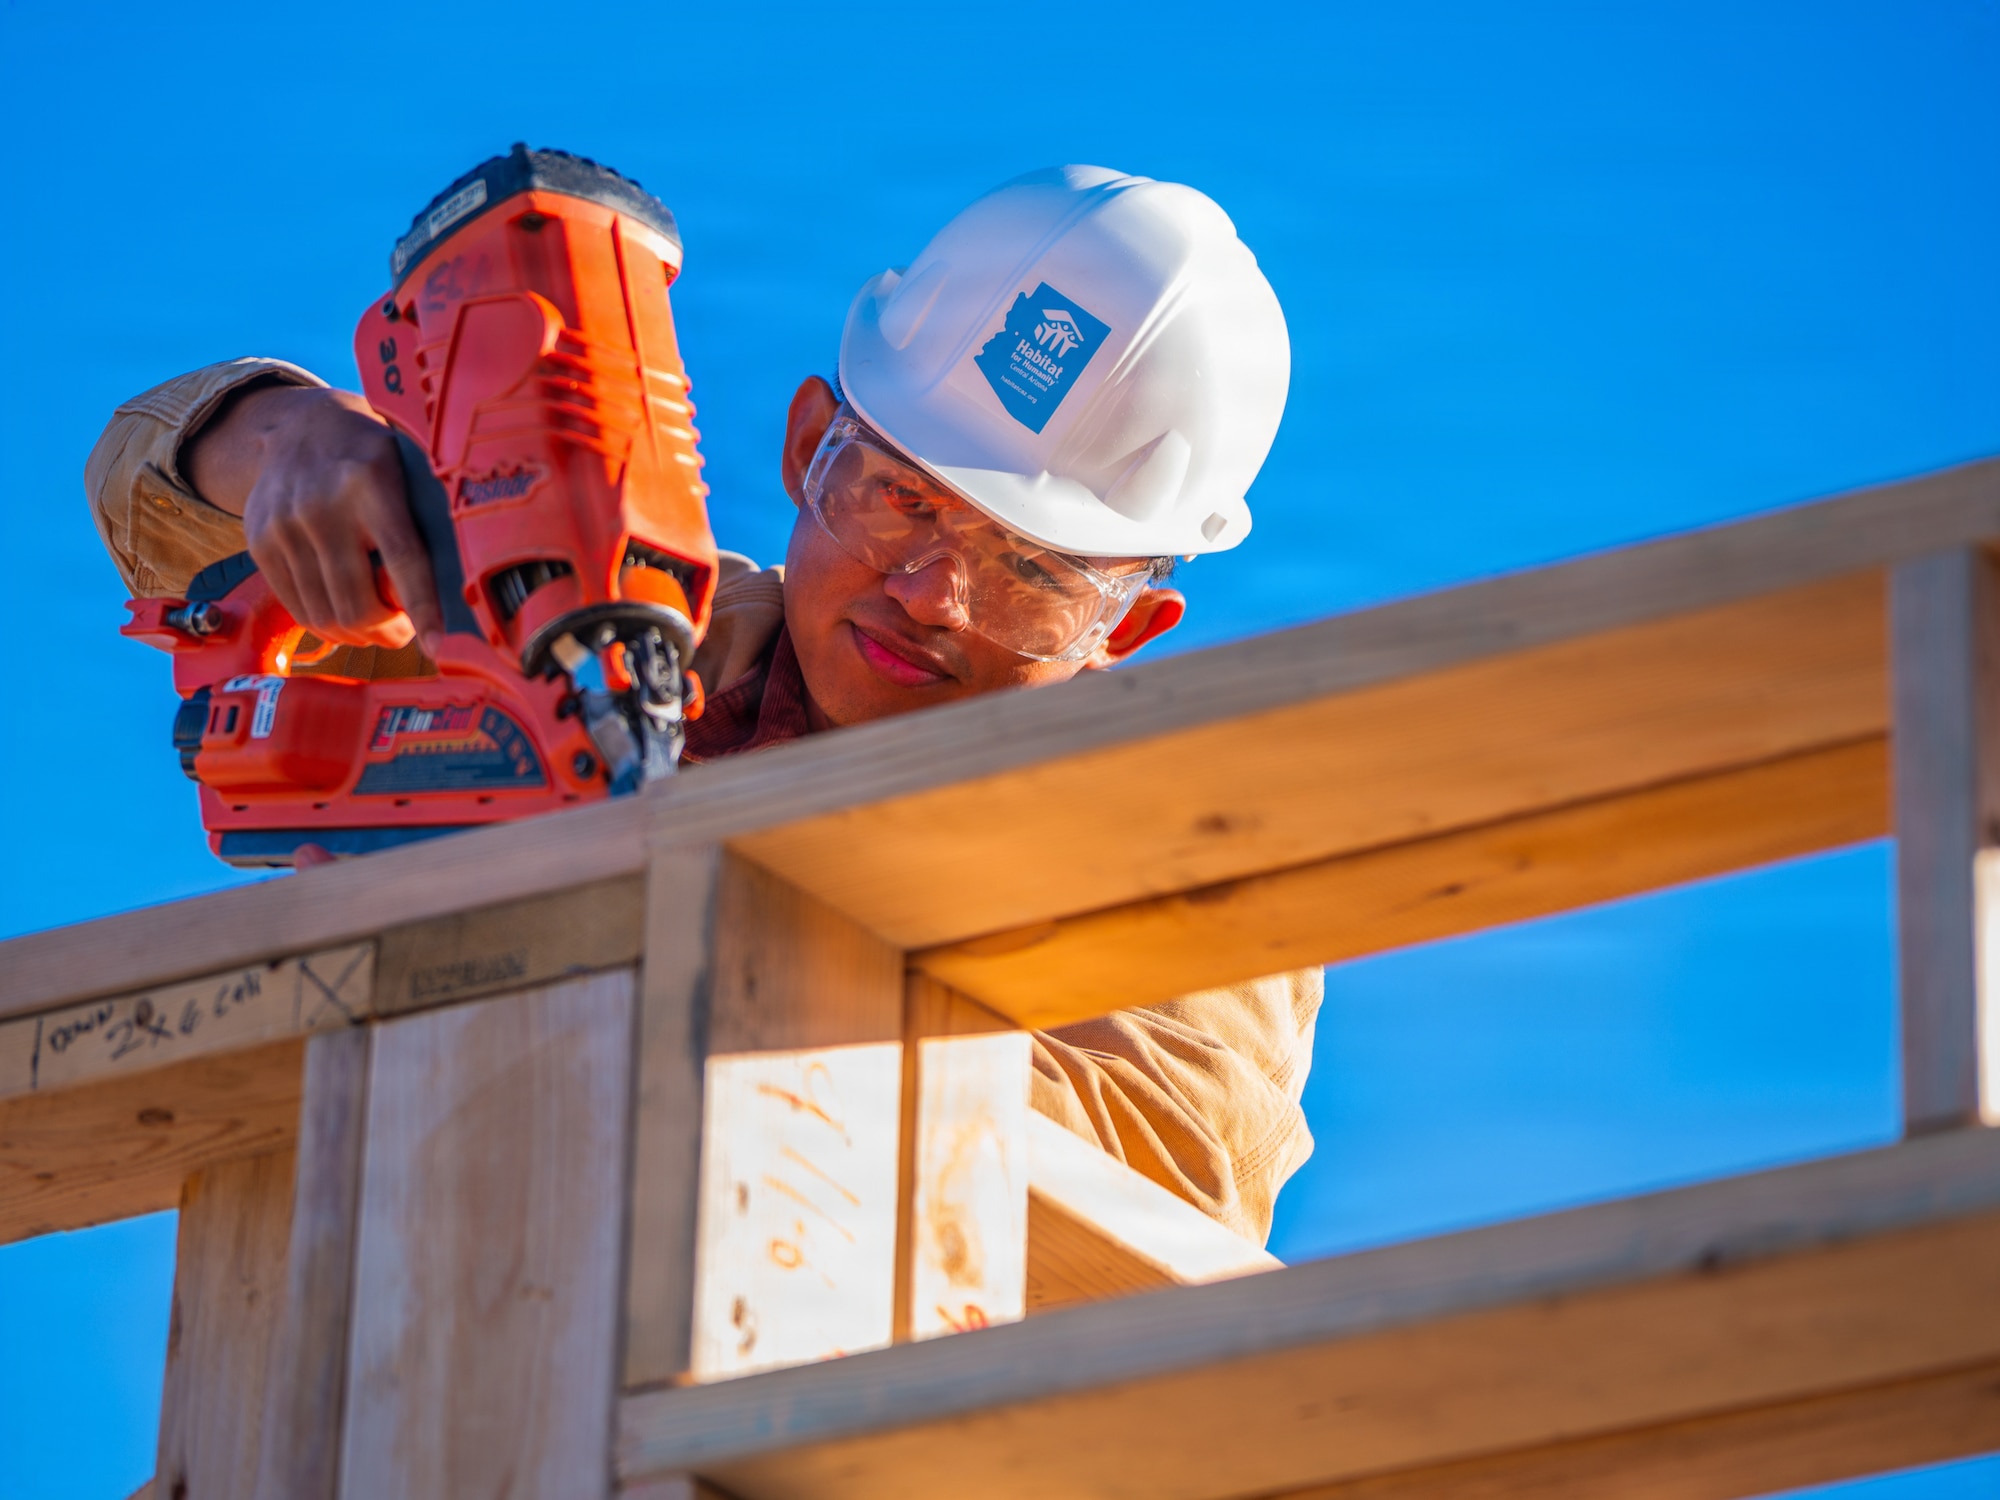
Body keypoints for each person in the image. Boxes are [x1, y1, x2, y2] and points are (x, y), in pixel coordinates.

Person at [87, 165, 1319, 1245]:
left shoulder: (1173, 834)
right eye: (900, 500)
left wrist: (690, 946)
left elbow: (1169, 1167)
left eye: (1031, 573)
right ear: (804, 446)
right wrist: (279, 439)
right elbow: (144, 499)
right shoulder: (623, 626)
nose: (930, 592)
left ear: (1128, 629)